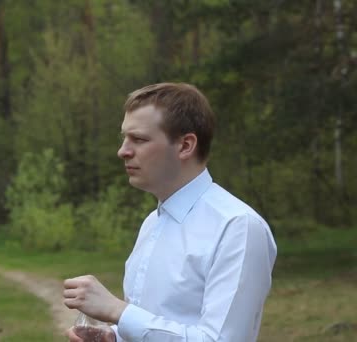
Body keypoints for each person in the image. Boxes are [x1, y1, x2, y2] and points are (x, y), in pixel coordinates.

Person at [62, 83, 277, 342]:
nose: (123, 151)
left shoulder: (237, 227)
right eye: (124, 138)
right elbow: (158, 322)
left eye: (138, 139)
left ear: (185, 145)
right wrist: (114, 337)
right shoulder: (153, 223)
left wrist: (118, 311)